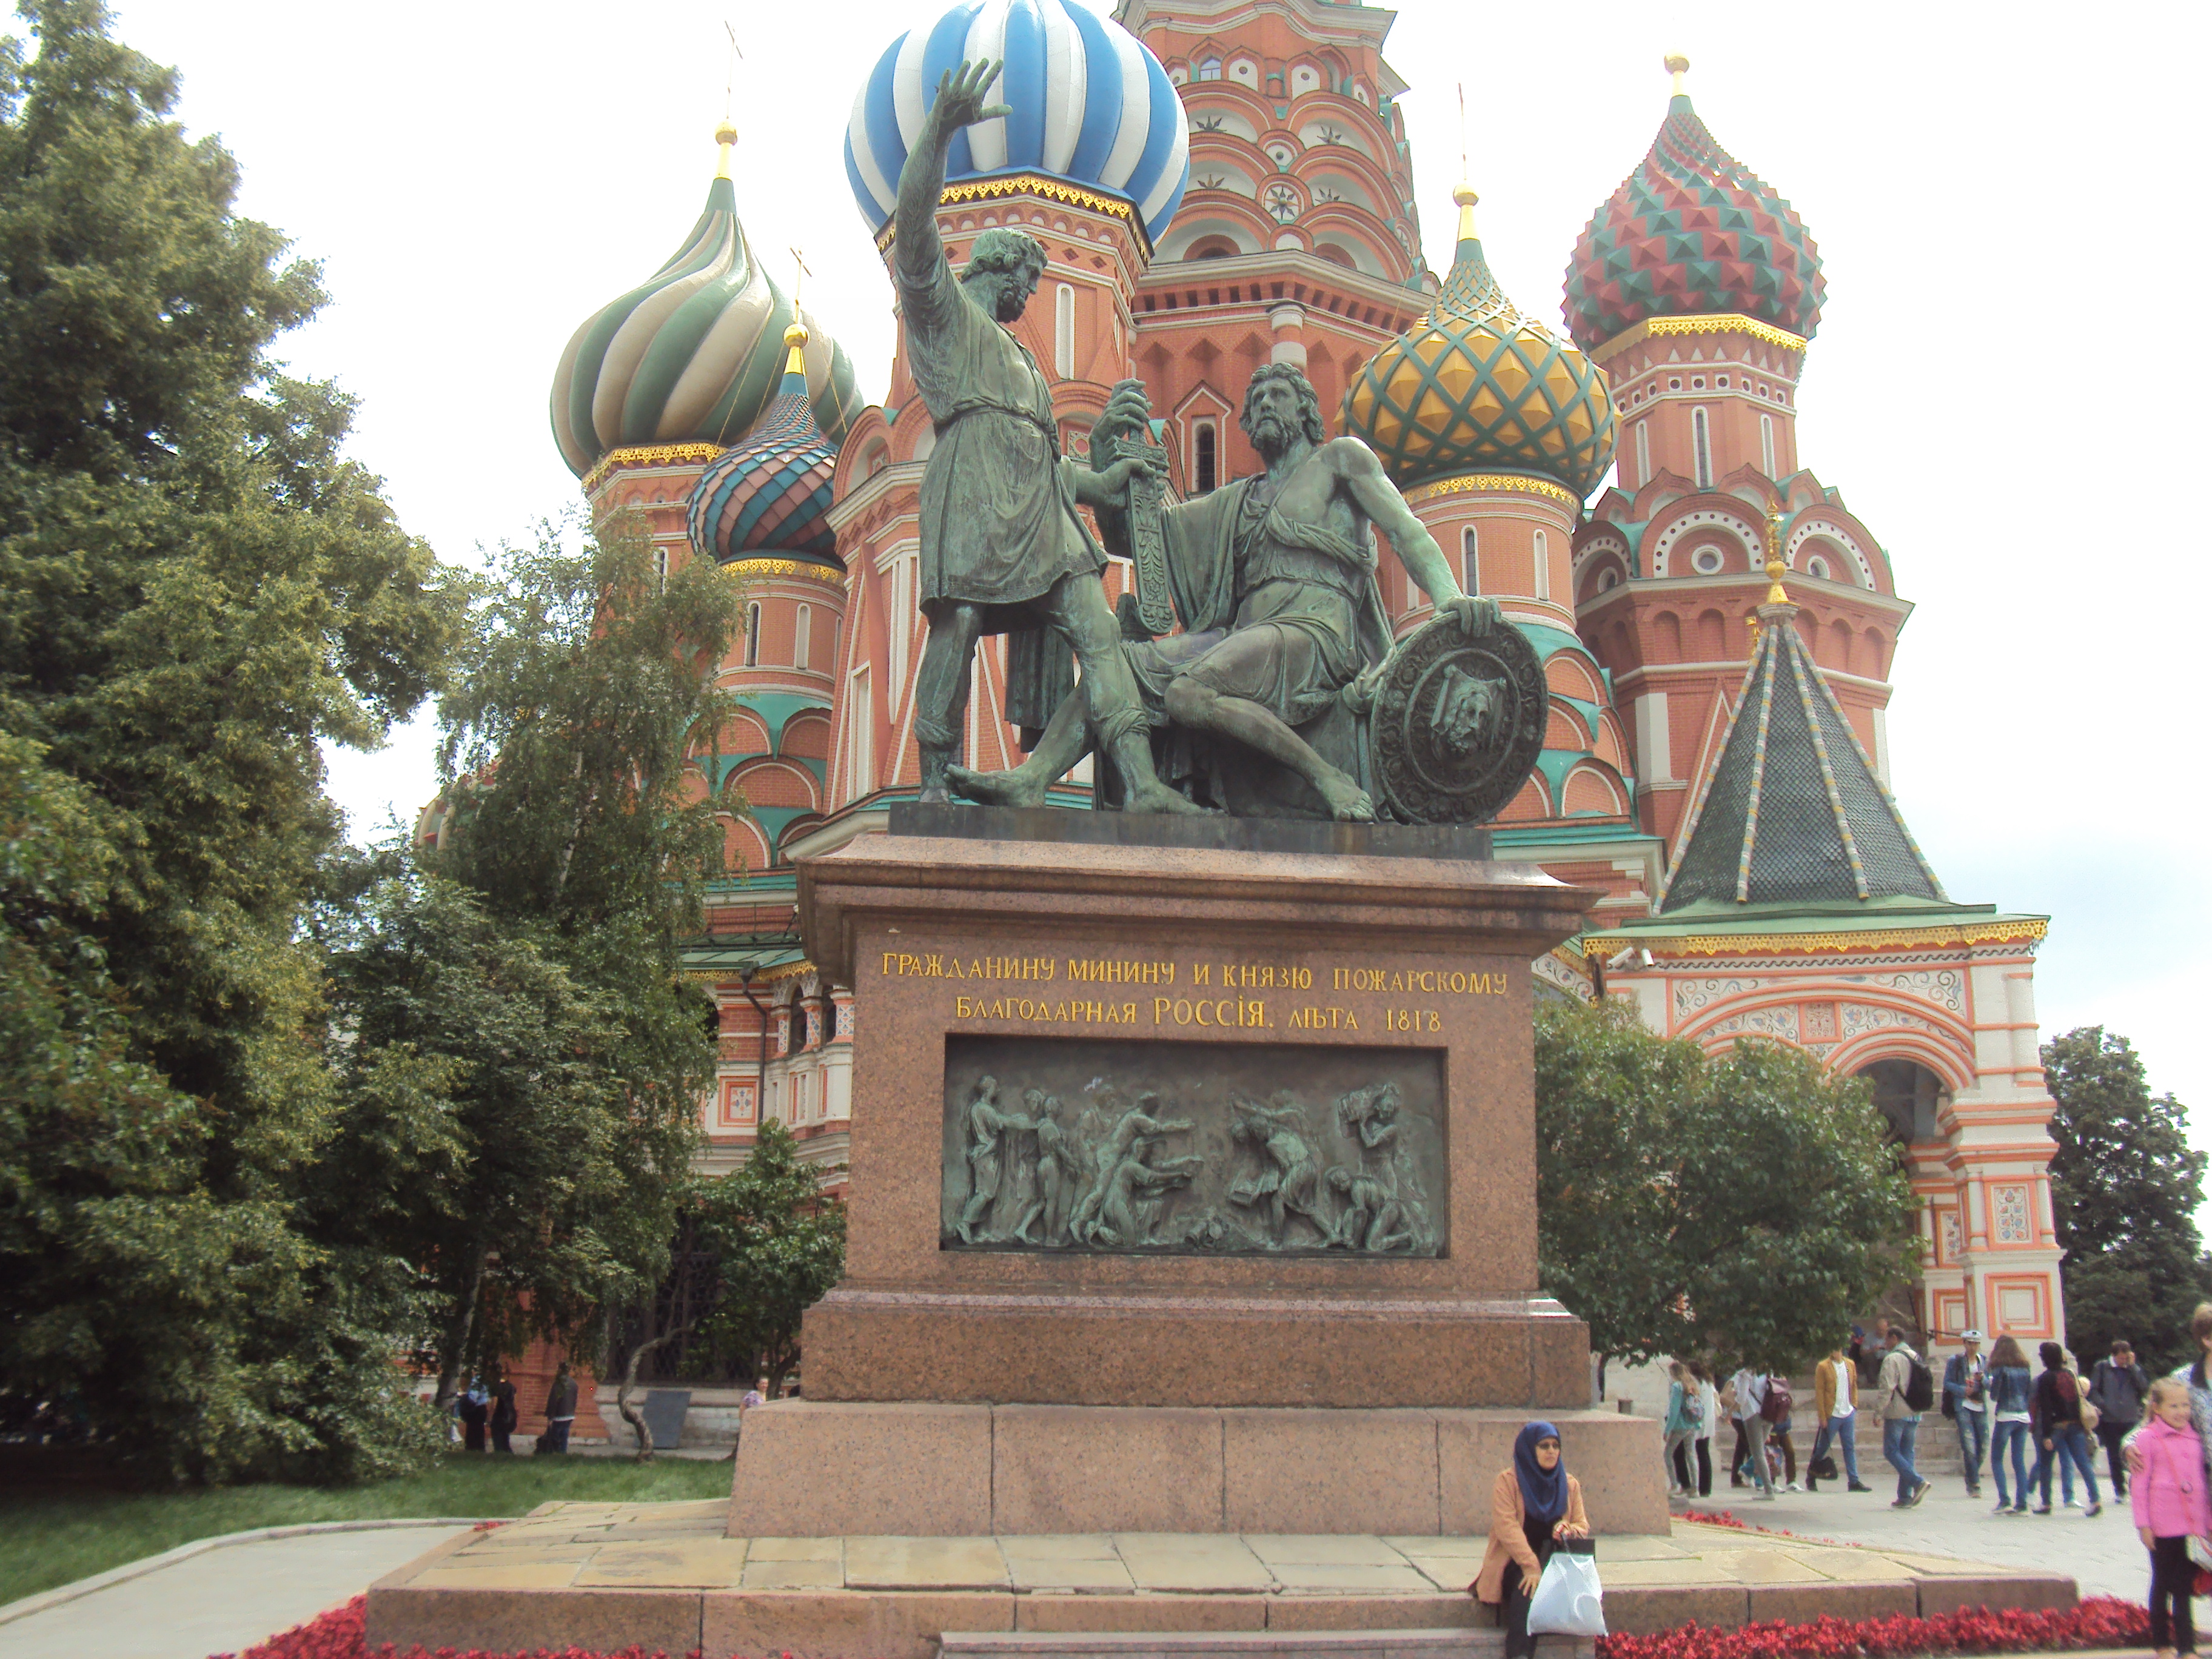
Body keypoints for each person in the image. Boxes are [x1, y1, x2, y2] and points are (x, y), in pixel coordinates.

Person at [887, 58, 1190, 814]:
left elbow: (1055, 470)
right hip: (971, 494)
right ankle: (932, 779)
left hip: (1041, 516)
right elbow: (917, 229)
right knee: (956, 626)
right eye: (1030, 276)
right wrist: (937, 130)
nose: (1032, 294)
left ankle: (1142, 783)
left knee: (1099, 632)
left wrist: (1109, 482)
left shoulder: (1025, 363)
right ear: (1003, 266)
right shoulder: (949, 320)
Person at [1471, 1422, 1591, 1659]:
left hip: (1554, 1563)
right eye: (1544, 1446)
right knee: (1528, 1587)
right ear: (1528, 1449)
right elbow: (1507, 1528)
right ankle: (1519, 1654)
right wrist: (1530, 1566)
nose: (1551, 1451)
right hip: (1515, 1562)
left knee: (1539, 1583)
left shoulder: (1568, 1484)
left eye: (1556, 1446)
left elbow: (1582, 1526)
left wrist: (1568, 1529)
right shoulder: (1508, 1482)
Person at [2131, 1377, 2208, 1659]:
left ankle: (2187, 1648)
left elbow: (2200, 1482)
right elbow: (2139, 1485)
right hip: (2162, 1527)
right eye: (2174, 1405)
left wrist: (2207, 1524)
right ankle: (2162, 1645)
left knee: (2185, 1587)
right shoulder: (2148, 1437)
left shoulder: (2195, 1437)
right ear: (2157, 1408)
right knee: (2163, 1583)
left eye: (2185, 1405)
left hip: (2192, 1527)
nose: (2181, 1411)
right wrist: (2144, 1524)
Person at [2031, 1339, 2102, 1516]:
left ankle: (2046, 1503)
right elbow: (2076, 1401)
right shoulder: (2070, 1375)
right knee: (2083, 1463)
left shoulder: (2045, 1379)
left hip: (2056, 1426)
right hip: (2075, 1425)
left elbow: (2046, 1409)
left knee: (2046, 1465)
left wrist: (2046, 1434)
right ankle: (2095, 1499)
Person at [1808, 1342, 1871, 1493]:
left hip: (1847, 1411)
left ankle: (1854, 1480)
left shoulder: (1849, 1364)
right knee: (1823, 1446)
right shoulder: (1823, 1367)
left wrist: (1854, 1404)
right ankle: (1812, 1474)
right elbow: (1820, 1392)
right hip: (1832, 1414)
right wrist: (1822, 1416)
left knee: (1849, 1447)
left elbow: (1853, 1384)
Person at [2090, 1340, 2149, 1496]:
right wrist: (2103, 1405)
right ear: (2114, 1356)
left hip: (2130, 1417)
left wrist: (2133, 1367)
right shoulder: (2102, 1368)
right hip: (2110, 1419)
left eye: (2125, 1358)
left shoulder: (2132, 1369)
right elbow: (2094, 1390)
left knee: (2135, 1453)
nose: (2123, 1361)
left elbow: (2143, 1387)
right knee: (2115, 1455)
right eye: (2120, 1359)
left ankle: (2135, 1485)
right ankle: (2120, 1489)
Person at [1878, 1327, 1929, 1507]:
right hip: (1915, 1410)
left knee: (1891, 1451)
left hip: (1898, 1411)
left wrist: (1878, 1412)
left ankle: (1917, 1482)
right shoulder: (1916, 1356)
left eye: (1887, 1339)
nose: (1885, 1343)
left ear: (1894, 1338)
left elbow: (1887, 1388)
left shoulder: (1892, 1359)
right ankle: (1905, 1496)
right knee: (1907, 1453)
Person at [1988, 1334, 2036, 1515]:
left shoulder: (2001, 1369)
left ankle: (2004, 1500)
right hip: (2023, 1416)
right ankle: (2022, 1502)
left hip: (2006, 1414)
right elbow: (2028, 1393)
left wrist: (1985, 1384)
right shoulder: (2025, 1368)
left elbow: (1995, 1395)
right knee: (2019, 1461)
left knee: (1997, 1458)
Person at [1944, 1329, 1991, 1498]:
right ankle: (1975, 1484)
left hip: (1980, 1406)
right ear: (1964, 1344)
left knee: (1984, 1445)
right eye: (1970, 1343)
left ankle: (1971, 1474)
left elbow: (1990, 1386)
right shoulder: (1955, 1361)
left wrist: (1982, 1380)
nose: (1973, 1347)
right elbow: (1948, 1383)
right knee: (1969, 1446)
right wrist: (1963, 1390)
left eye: (1976, 1343)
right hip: (1963, 1405)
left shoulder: (1983, 1361)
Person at [1729, 1364, 1775, 1500]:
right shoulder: (1769, 1370)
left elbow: (1742, 1399)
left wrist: (1731, 1410)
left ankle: (1768, 1490)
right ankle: (1756, 1477)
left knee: (1758, 1452)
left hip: (1753, 1413)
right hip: (1769, 1412)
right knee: (1759, 1451)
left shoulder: (1747, 1373)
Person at [1663, 1362, 1698, 1498]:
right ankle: (1695, 1487)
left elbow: (1674, 1410)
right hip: (1691, 1424)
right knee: (1691, 1454)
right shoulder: (1691, 1384)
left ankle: (1674, 1484)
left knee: (1668, 1454)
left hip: (1680, 1425)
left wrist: (1667, 1429)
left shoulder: (1677, 1386)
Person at [536, 1362, 577, 1455]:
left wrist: (550, 1415)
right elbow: (575, 1399)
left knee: (555, 1436)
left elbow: (553, 1400)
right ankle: (563, 1453)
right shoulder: (573, 1383)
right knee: (565, 1435)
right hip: (570, 1415)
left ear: (560, 1370)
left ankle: (554, 1452)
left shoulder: (558, 1383)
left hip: (559, 1415)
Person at [488, 1370, 518, 1456]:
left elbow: (494, 1404)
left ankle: (499, 1454)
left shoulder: (496, 1387)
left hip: (498, 1415)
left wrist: (490, 1417)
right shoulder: (512, 1387)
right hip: (509, 1415)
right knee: (506, 1438)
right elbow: (516, 1404)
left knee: (497, 1438)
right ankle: (508, 1454)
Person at [456, 1376, 489, 1453]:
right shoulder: (485, 1380)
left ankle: (472, 1449)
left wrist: (463, 1398)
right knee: (480, 1431)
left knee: (472, 1431)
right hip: (482, 1408)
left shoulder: (476, 1381)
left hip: (476, 1409)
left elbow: (473, 1398)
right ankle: (479, 1449)